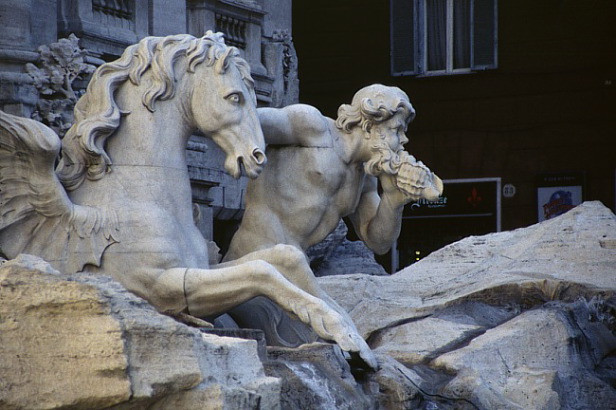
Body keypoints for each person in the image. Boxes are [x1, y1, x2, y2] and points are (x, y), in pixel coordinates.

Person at [222, 84, 443, 347]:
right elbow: (245, 120)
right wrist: (244, 154)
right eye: (397, 130)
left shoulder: (365, 179)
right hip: (249, 264)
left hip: (294, 278)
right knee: (335, 346)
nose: (404, 140)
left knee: (334, 349)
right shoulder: (312, 128)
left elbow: (378, 241)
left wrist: (394, 200)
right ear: (371, 126)